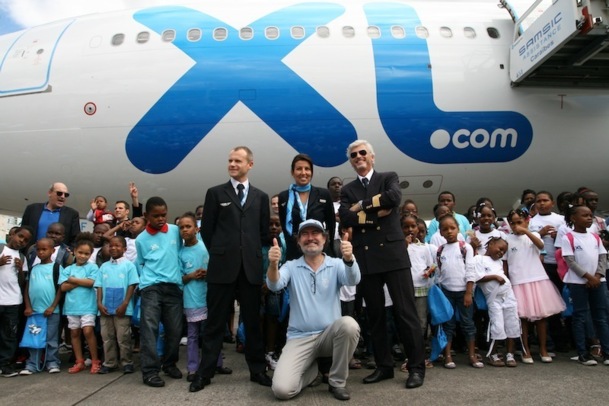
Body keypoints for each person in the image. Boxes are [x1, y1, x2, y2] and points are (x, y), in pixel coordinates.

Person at [338, 140, 425, 389]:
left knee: (405, 312)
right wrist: (378, 210)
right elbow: (345, 216)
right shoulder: (347, 189)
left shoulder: (388, 177)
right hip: (366, 259)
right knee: (375, 316)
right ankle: (384, 366)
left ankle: (416, 367)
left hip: (393, 256)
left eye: (363, 153)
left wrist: (363, 206)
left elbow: (394, 197)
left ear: (372, 157)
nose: (358, 157)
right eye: (354, 155)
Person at [190, 146, 271, 392]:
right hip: (222, 269)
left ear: (250, 164)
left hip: (250, 269)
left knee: (253, 323)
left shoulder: (261, 196)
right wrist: (223, 252)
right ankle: (205, 373)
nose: (232, 164)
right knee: (215, 324)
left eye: (237, 160)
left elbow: (263, 233)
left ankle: (257, 370)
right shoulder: (215, 193)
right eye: (230, 160)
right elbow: (207, 230)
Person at [268, 219, 360, 401]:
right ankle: (312, 372)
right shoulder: (291, 266)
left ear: (324, 239)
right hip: (299, 337)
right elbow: (274, 285)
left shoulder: (336, 264)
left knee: (349, 325)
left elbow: (353, 280)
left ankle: (337, 382)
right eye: (305, 234)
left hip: (329, 336)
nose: (311, 238)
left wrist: (349, 259)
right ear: (298, 241)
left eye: (315, 233)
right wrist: (273, 264)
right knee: (282, 390)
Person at [504, 208, 565, 364]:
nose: (516, 226)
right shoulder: (507, 239)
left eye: (520, 222)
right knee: (523, 319)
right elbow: (505, 263)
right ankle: (526, 350)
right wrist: (507, 280)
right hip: (518, 281)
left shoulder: (534, 235)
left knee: (541, 318)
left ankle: (543, 349)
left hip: (537, 280)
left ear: (527, 221)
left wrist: (526, 231)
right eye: (513, 223)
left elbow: (539, 245)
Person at [135, 196, 184, 388]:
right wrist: (145, 283)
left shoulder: (174, 231)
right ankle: (149, 371)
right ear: (146, 215)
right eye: (156, 216)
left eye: (164, 215)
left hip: (173, 287)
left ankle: (170, 364)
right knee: (149, 329)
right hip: (151, 287)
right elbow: (141, 263)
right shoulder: (141, 239)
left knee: (175, 330)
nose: (161, 219)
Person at [178, 212, 231, 381]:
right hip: (191, 299)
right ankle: (193, 368)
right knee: (193, 335)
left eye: (188, 226)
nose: (185, 230)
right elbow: (179, 278)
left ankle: (216, 363)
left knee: (212, 331)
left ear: (197, 228)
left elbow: (219, 268)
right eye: (181, 227)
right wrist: (191, 276)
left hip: (210, 297)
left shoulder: (206, 247)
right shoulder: (179, 253)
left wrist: (209, 273)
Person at [561, 205, 609, 366]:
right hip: (578, 282)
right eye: (585, 215)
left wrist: (598, 276)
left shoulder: (595, 237)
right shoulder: (568, 237)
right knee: (580, 316)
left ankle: (607, 352)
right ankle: (583, 352)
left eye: (590, 215)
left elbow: (603, 256)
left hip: (598, 282)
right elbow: (570, 261)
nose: (589, 218)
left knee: (600, 317)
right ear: (573, 218)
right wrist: (588, 277)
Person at [435, 215, 481, 369]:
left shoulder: (465, 247)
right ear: (440, 232)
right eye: (445, 229)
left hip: (463, 292)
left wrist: (469, 292)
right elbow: (440, 273)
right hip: (447, 292)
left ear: (458, 229)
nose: (449, 232)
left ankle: (472, 355)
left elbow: (470, 270)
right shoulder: (440, 250)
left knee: (468, 323)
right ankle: (447, 356)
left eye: (452, 228)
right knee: (448, 324)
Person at [528, 191, 569, 352]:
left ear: (552, 203)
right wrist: (540, 233)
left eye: (545, 200)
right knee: (546, 307)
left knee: (561, 304)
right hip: (541, 267)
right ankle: (549, 343)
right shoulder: (532, 222)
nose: (542, 203)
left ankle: (563, 341)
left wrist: (557, 235)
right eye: (539, 201)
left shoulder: (560, 220)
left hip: (559, 265)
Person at [278, 154, 336, 260]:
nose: (303, 173)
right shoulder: (284, 197)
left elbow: (331, 226)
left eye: (307, 169)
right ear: (293, 172)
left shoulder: (323, 194)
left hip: (319, 252)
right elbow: (285, 228)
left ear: (312, 172)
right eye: (299, 169)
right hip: (295, 254)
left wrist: (329, 248)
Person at [95, 235, 139, 374]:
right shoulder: (104, 266)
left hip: (122, 308)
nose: (113, 248)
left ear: (125, 249)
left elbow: (132, 285)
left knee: (123, 337)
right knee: (107, 336)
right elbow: (99, 285)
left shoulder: (129, 266)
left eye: (117, 245)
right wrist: (99, 304)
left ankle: (127, 361)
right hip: (105, 307)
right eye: (111, 246)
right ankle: (110, 362)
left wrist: (125, 303)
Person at [473, 237, 520, 367]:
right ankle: (492, 354)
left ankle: (510, 354)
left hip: (508, 295)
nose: (501, 253)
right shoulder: (479, 259)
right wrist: (494, 277)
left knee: (512, 323)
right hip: (494, 299)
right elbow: (477, 277)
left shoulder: (499, 262)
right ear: (491, 244)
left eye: (503, 252)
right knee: (497, 325)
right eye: (500, 249)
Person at [59, 234, 101, 374]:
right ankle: (79, 361)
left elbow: (91, 283)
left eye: (87, 253)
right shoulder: (68, 269)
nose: (83, 256)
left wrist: (72, 280)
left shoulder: (93, 267)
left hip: (88, 306)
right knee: (74, 333)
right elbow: (63, 287)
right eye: (80, 252)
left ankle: (95, 360)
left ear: (91, 254)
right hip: (71, 307)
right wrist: (80, 281)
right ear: (74, 251)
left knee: (88, 331)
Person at [20, 238, 62, 375]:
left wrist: (52, 307)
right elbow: (27, 289)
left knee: (51, 338)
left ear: (52, 250)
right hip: (34, 312)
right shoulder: (33, 269)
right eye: (38, 249)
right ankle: (32, 363)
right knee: (34, 338)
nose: (41, 252)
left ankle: (52, 362)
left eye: (44, 249)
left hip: (51, 311)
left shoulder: (56, 267)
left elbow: (60, 289)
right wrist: (28, 306)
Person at [401, 213, 435, 369]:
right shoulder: (399, 246)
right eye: (406, 227)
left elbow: (431, 265)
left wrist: (429, 271)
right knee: (407, 323)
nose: (410, 230)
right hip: (404, 289)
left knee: (421, 323)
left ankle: (420, 355)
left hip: (421, 288)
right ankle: (409, 356)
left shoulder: (424, 248)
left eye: (413, 226)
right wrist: (404, 246)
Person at [0, 226, 33, 377]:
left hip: (13, 301)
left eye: (26, 240)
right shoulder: (1, 249)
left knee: (9, 335)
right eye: (20, 237)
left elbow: (22, 282)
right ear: (12, 234)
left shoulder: (22, 257)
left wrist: (20, 270)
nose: (22, 241)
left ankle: (5, 364)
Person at [21, 182, 80, 247]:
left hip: (58, 255)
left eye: (66, 195)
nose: (63, 196)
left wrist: (69, 252)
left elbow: (75, 239)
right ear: (49, 193)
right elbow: (23, 232)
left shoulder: (72, 214)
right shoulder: (32, 209)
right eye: (59, 193)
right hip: (33, 253)